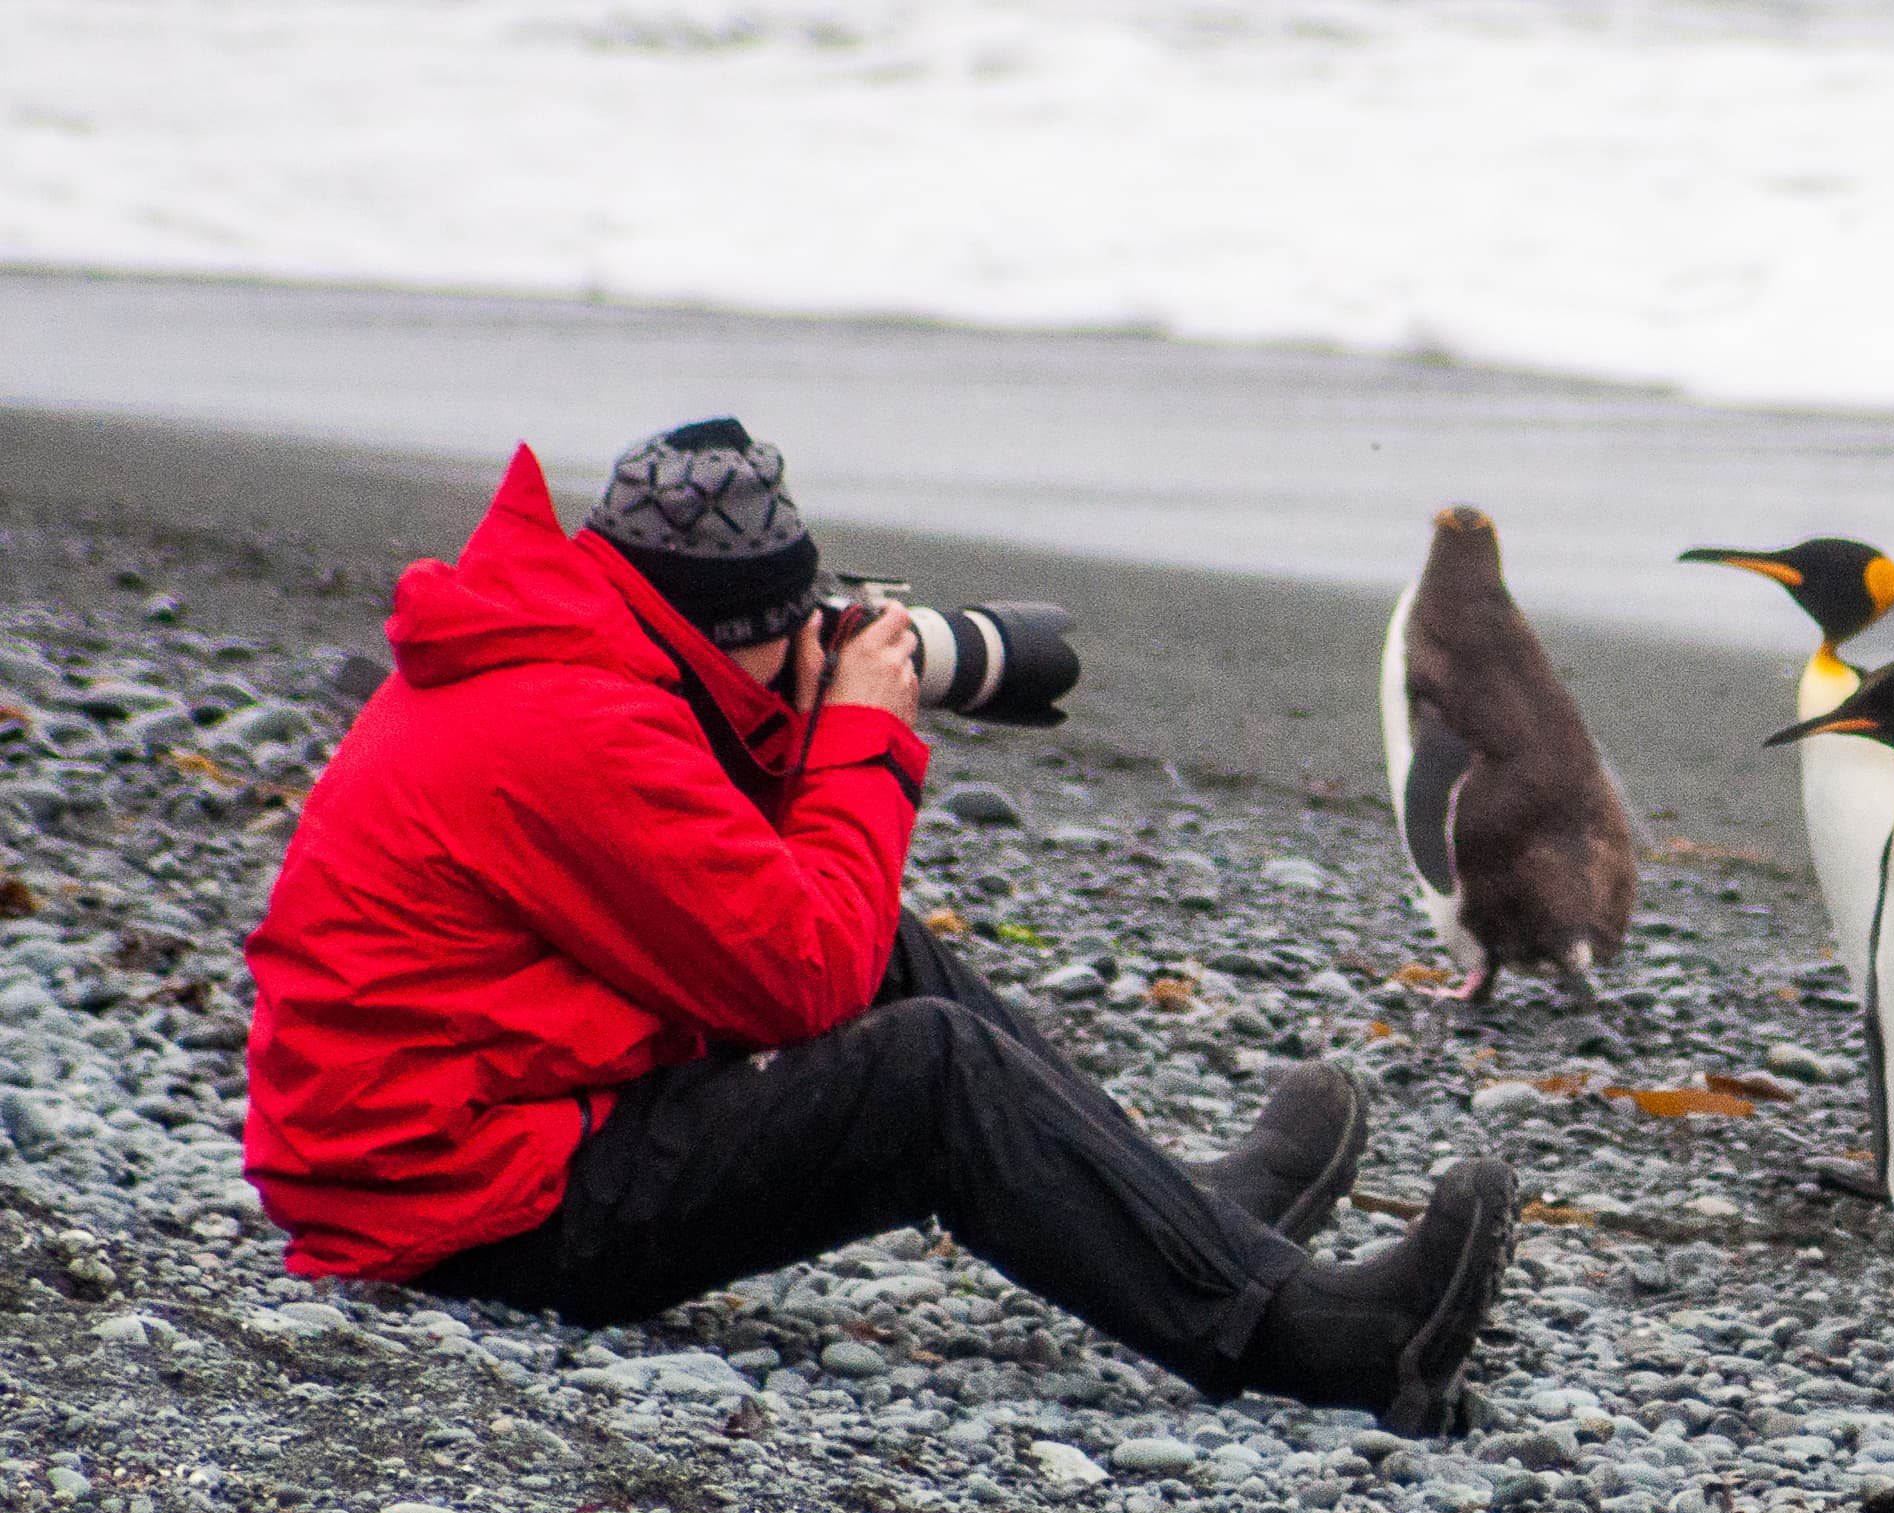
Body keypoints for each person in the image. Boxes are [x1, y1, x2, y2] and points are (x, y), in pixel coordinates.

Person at [241, 418, 1512, 1435]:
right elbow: (799, 975)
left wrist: (799, 715)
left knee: (887, 954)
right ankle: (1312, 1338)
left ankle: (1188, 1219)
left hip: (495, 1125)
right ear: (726, 635)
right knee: (922, 1068)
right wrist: (856, 731)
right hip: (463, 1207)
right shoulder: (576, 726)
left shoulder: (577, 651)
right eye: (792, 632)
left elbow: (755, 910)